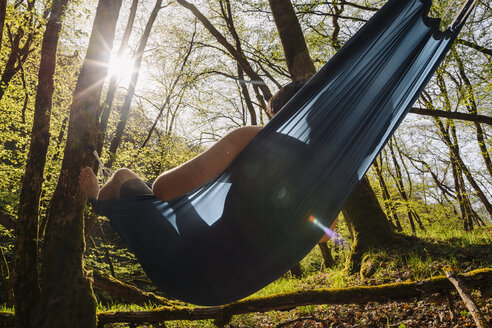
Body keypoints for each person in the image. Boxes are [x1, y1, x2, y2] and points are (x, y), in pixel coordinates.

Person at [79, 80, 336, 240]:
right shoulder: (323, 170)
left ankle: (97, 201)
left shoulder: (253, 139)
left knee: (123, 175)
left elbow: (164, 189)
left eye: (271, 116)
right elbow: (325, 235)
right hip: (244, 281)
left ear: (282, 115)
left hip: (199, 264)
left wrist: (227, 172)